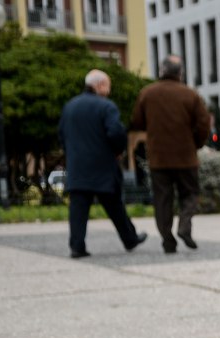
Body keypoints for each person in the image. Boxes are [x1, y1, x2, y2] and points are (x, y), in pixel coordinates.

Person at [57, 69, 147, 259]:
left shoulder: (70, 106)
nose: (109, 91)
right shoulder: (106, 106)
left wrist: (72, 154)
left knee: (78, 209)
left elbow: (61, 134)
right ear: (100, 85)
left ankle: (77, 246)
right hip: (103, 166)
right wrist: (118, 150)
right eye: (108, 86)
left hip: (78, 166)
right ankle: (130, 238)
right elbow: (115, 132)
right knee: (115, 206)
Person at [130, 56, 212, 253]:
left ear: (161, 71)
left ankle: (168, 240)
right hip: (186, 156)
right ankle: (184, 225)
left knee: (162, 200)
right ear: (180, 73)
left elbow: (137, 121)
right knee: (190, 193)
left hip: (159, 157)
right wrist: (196, 143)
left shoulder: (147, 93)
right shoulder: (190, 95)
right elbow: (204, 124)